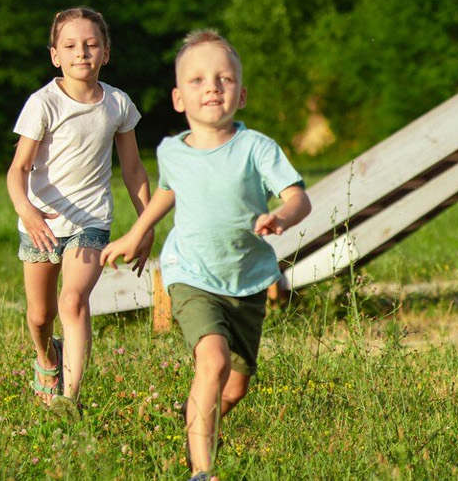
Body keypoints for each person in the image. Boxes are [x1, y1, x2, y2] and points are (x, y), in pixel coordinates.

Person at [101, 30, 311, 479]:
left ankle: (193, 417)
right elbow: (167, 192)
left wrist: (282, 217)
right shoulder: (173, 150)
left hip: (248, 278)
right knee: (211, 361)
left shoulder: (257, 148)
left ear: (243, 93)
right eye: (197, 80)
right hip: (189, 272)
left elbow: (299, 198)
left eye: (225, 78)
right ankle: (201, 471)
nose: (212, 87)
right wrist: (137, 233)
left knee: (232, 388)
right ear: (179, 98)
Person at [6, 7, 152, 413]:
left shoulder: (118, 104)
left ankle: (68, 400)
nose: (81, 53)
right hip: (42, 223)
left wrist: (145, 224)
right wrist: (28, 211)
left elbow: (134, 169)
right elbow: (17, 170)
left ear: (106, 52)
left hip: (91, 220)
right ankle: (47, 357)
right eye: (70, 46)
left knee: (73, 301)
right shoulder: (43, 104)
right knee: (40, 316)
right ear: (55, 55)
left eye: (91, 45)